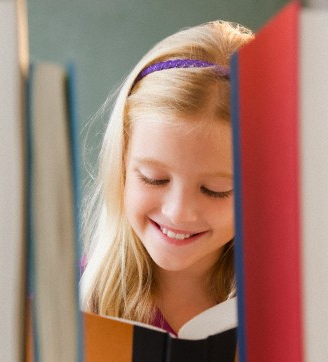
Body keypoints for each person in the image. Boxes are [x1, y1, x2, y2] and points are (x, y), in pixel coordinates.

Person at [80, 20, 253, 335]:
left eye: (216, 190)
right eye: (153, 178)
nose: (178, 212)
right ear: (119, 165)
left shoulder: (292, 309)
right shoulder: (69, 303)